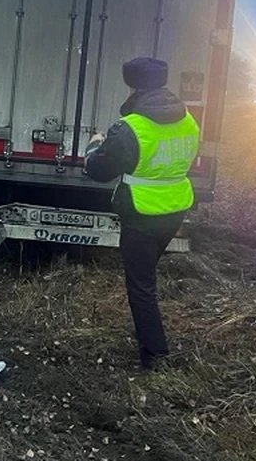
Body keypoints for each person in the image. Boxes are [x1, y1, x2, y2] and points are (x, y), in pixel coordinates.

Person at [83, 57, 200, 370]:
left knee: (141, 286)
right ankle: (151, 341)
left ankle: (156, 354)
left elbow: (99, 170)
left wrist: (94, 146)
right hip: (175, 211)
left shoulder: (129, 129)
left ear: (132, 85)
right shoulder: (187, 119)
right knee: (145, 279)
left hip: (142, 213)